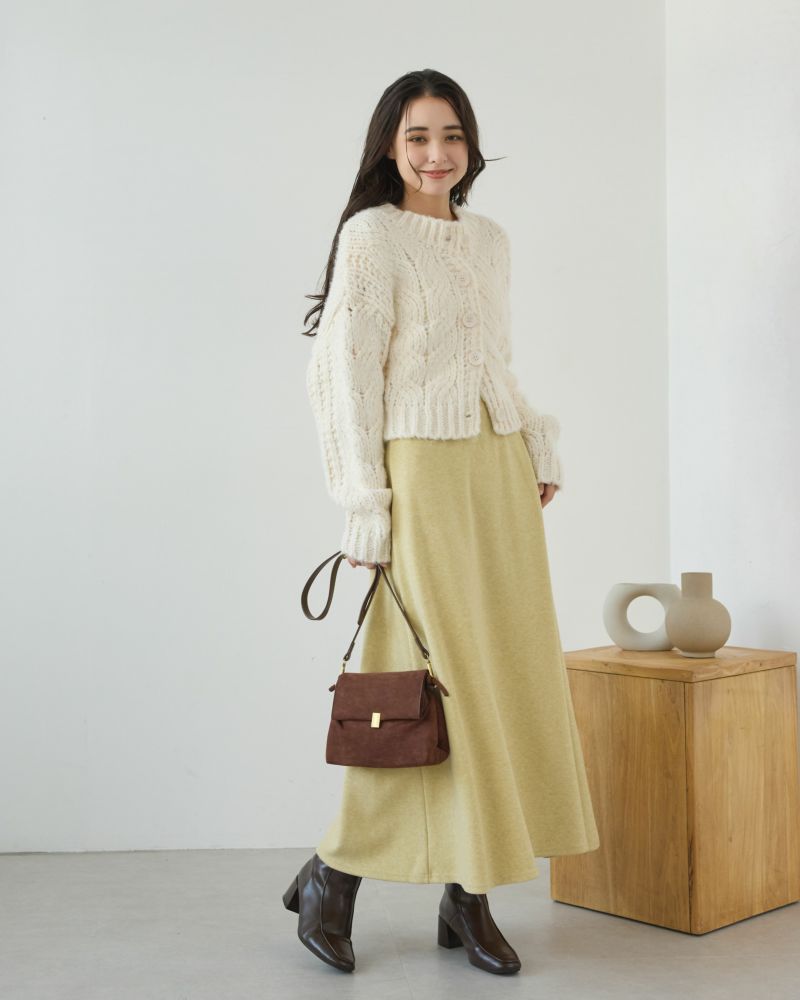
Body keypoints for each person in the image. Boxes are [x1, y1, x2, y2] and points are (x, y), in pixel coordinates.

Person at [284, 68, 600, 976]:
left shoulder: (490, 240)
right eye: (418, 137)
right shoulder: (373, 236)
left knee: (502, 674)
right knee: (432, 679)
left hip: (495, 470)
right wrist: (364, 501)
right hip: (418, 472)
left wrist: (533, 441)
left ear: (471, 145)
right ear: (391, 146)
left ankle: (468, 893)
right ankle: (334, 875)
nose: (437, 154)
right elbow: (343, 375)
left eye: (452, 135)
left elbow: (491, 357)